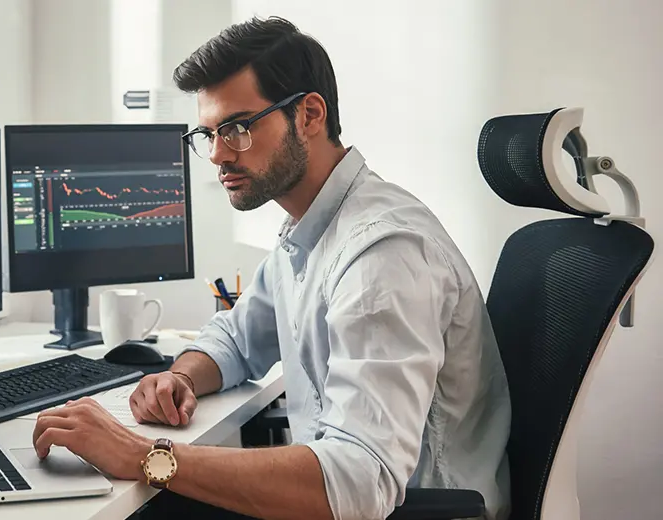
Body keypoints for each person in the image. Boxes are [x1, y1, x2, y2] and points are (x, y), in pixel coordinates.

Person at [31, 16, 512, 520]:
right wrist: (181, 377)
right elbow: (238, 340)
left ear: (308, 115)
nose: (217, 155)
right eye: (208, 134)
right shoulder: (306, 231)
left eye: (236, 129)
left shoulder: (382, 257)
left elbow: (357, 483)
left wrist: (143, 457)